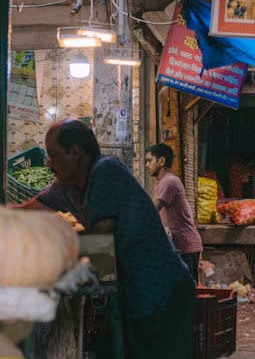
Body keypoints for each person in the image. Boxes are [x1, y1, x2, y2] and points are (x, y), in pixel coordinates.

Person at [12, 119, 195, 359]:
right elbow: (23, 210)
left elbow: (100, 241)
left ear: (75, 152)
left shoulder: (106, 170)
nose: (49, 163)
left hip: (163, 293)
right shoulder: (65, 187)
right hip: (137, 297)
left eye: (53, 155)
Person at [145, 142, 203, 283]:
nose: (147, 165)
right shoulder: (161, 183)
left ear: (162, 161)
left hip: (185, 247)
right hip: (177, 246)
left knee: (186, 294)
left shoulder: (169, 182)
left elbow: (151, 211)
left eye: (149, 160)